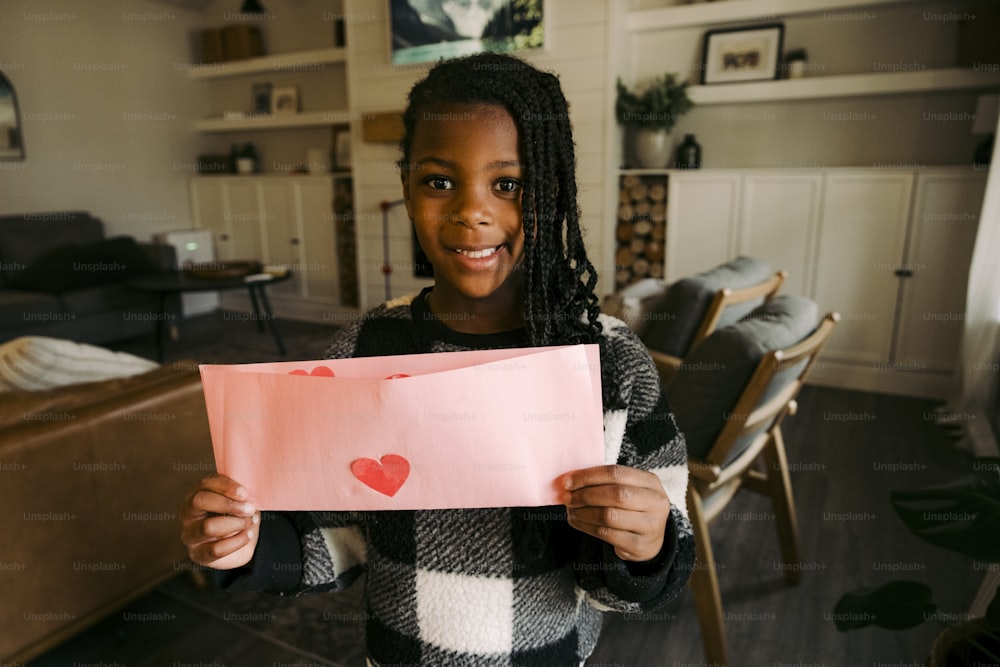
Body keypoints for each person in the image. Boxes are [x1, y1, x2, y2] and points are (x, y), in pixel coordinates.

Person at [180, 51, 695, 666]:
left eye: (508, 185)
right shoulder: (364, 351)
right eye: (439, 181)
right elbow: (338, 538)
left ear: (552, 191)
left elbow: (654, 566)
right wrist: (249, 545)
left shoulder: (612, 363)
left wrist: (649, 543)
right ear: (406, 188)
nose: (470, 211)